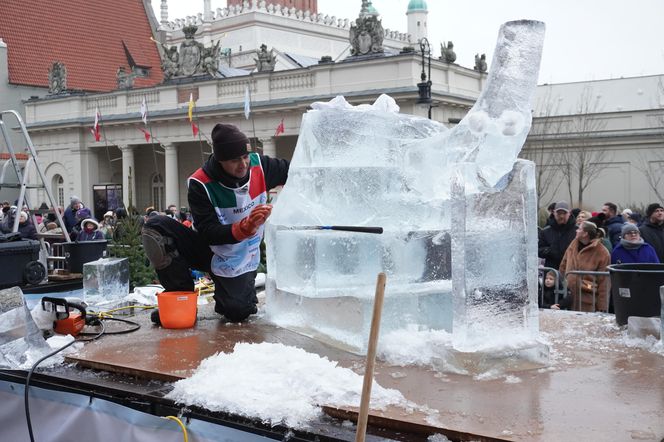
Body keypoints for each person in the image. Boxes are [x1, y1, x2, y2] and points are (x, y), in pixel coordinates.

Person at [142, 123, 289, 322]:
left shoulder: (260, 166)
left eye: (245, 157)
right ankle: (181, 300)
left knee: (237, 312)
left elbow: (297, 171)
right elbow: (207, 231)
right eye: (234, 160)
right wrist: (243, 228)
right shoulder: (200, 183)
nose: (243, 165)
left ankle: (233, 295)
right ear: (220, 160)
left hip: (242, 255)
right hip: (209, 246)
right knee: (155, 227)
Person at [559, 221, 611, 312]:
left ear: (585, 233)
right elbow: (563, 265)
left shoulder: (602, 252)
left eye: (579, 229)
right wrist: (559, 286)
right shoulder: (573, 244)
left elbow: (604, 282)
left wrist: (602, 306)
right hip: (567, 297)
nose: (576, 231)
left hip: (587, 299)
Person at [538, 201, 577, 270]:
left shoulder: (577, 231)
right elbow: (538, 250)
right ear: (554, 213)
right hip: (551, 270)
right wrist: (550, 251)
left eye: (564, 213)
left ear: (569, 213)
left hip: (571, 269)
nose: (561, 216)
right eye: (559, 213)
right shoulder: (545, 231)